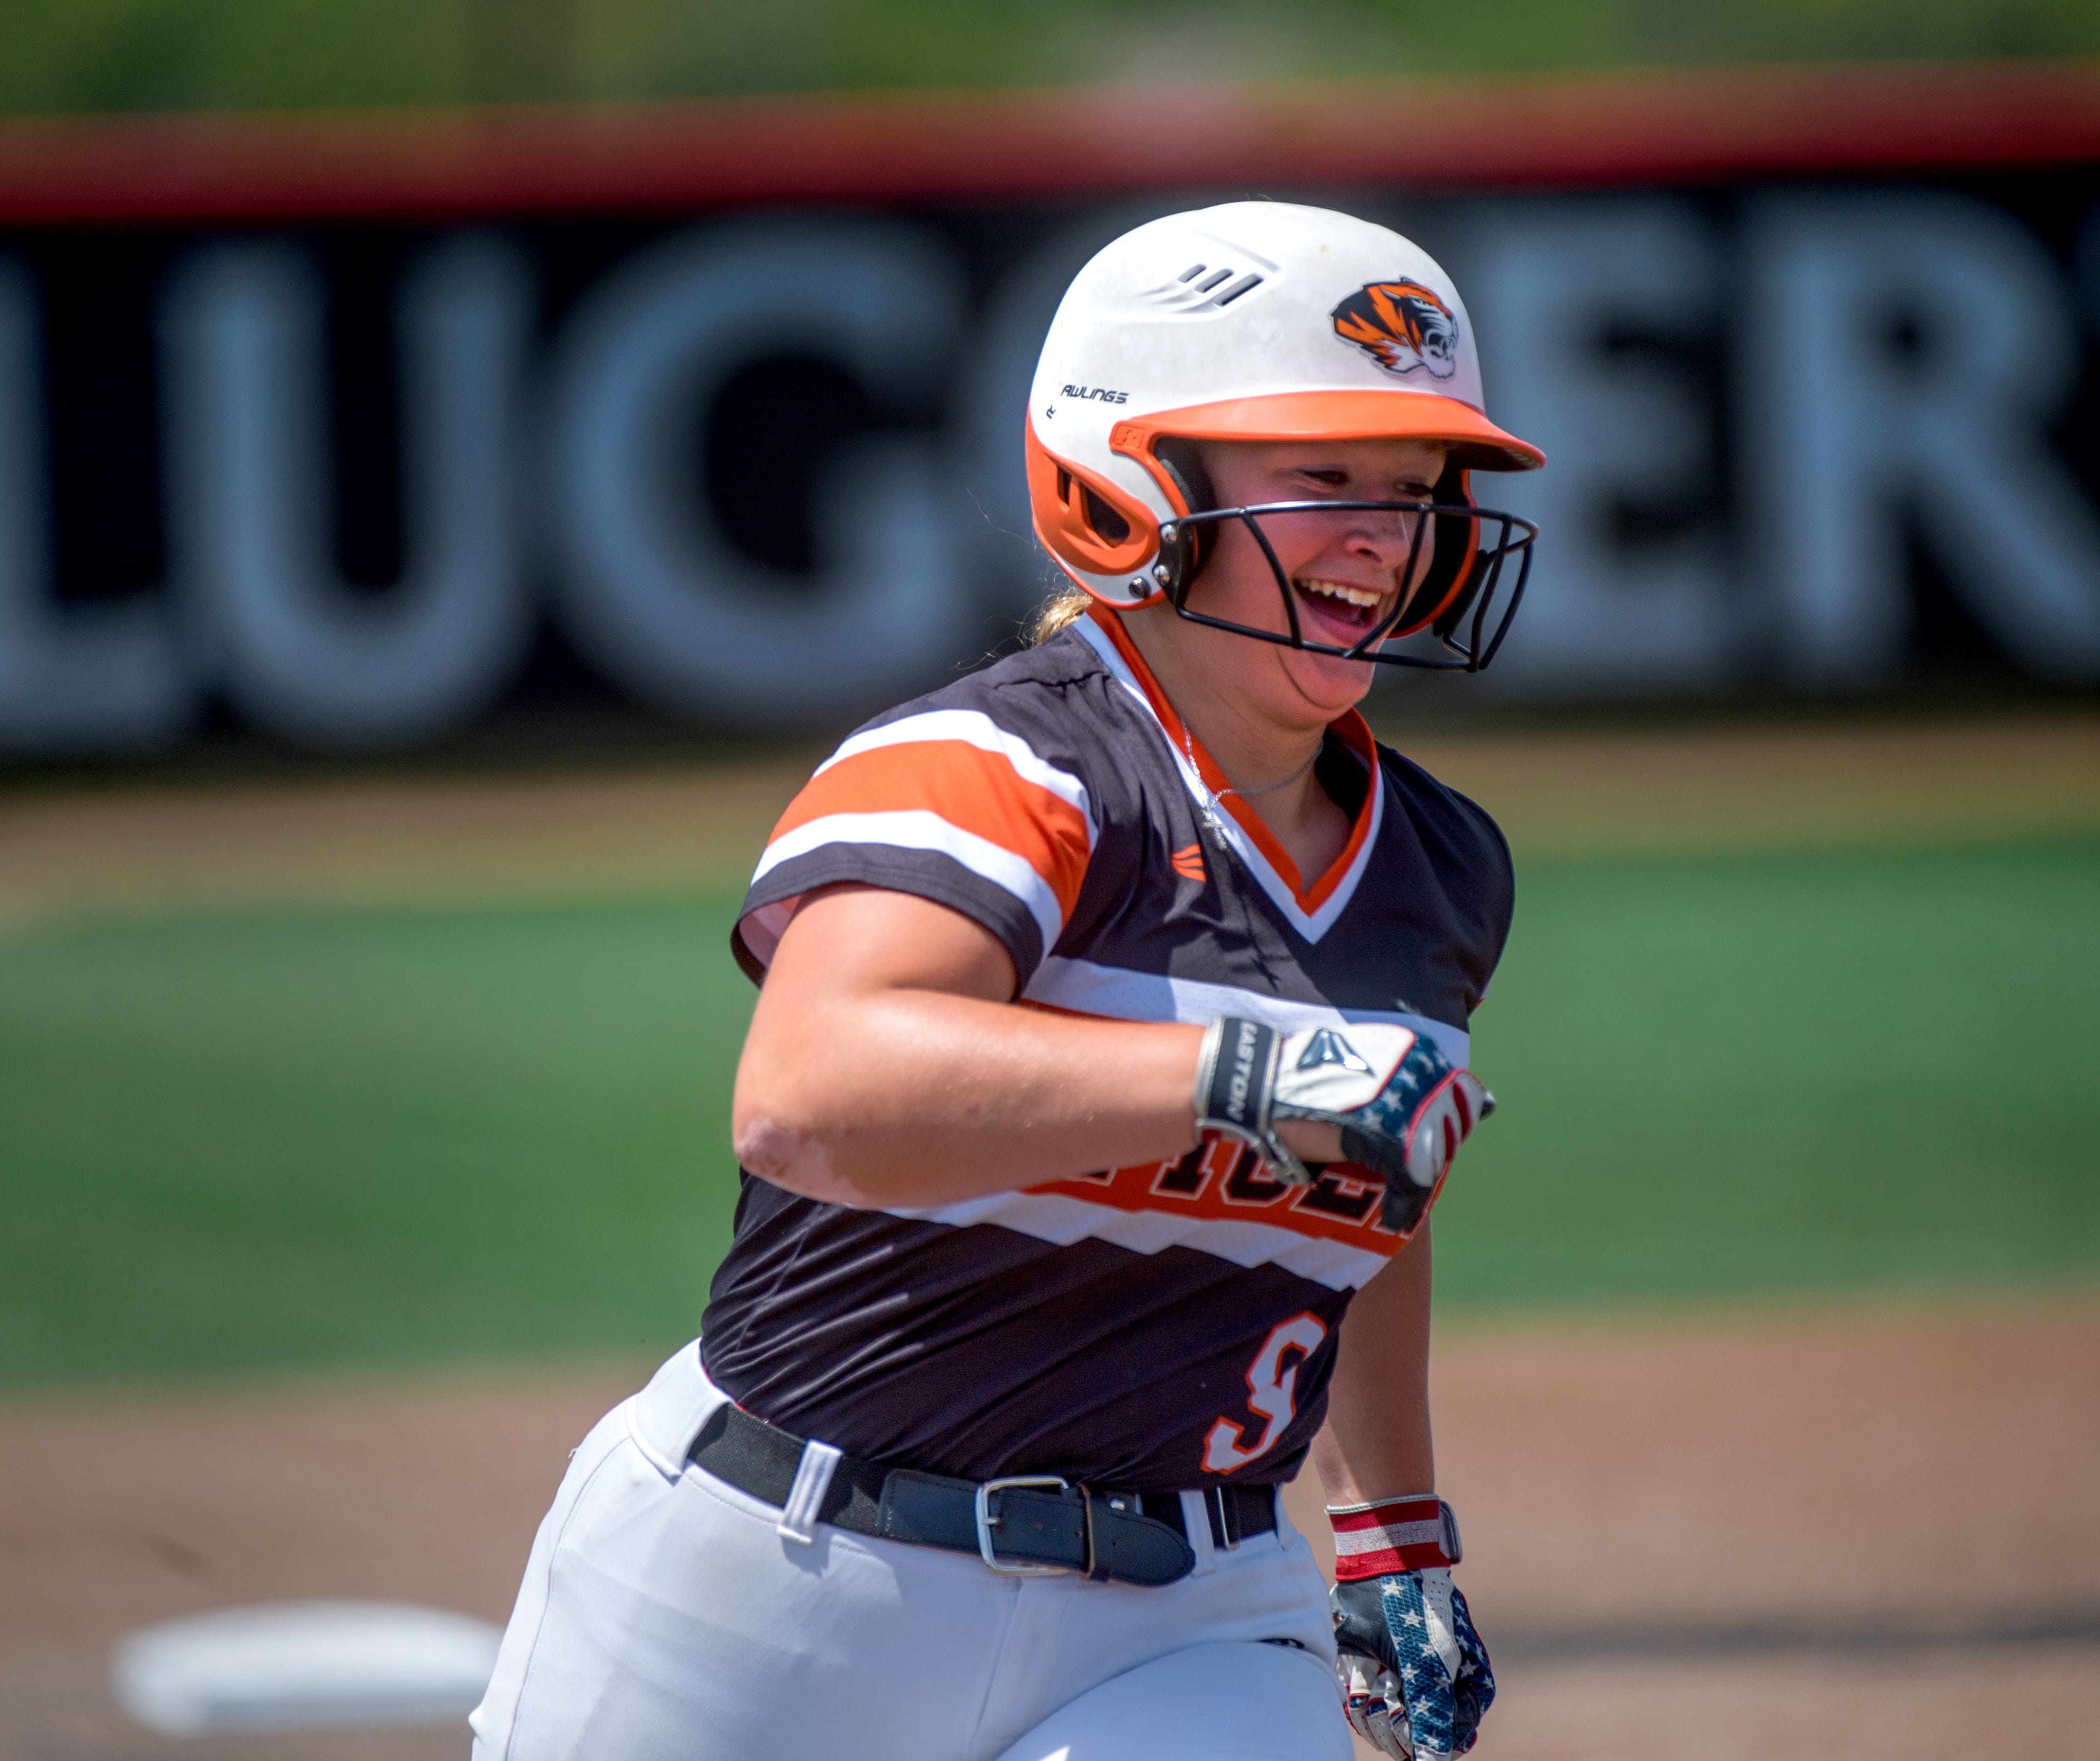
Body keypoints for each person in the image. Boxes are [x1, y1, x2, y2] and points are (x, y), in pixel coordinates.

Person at [470, 200, 1543, 1761]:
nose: (1388, 533)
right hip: (778, 1579)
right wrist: (1242, 1076)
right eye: (1321, 477)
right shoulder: (995, 764)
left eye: (1416, 485)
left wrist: (1394, 1532)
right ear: (1131, 481)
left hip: (1193, 1607)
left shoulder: (1440, 860)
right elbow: (806, 1093)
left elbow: (1365, 1192)